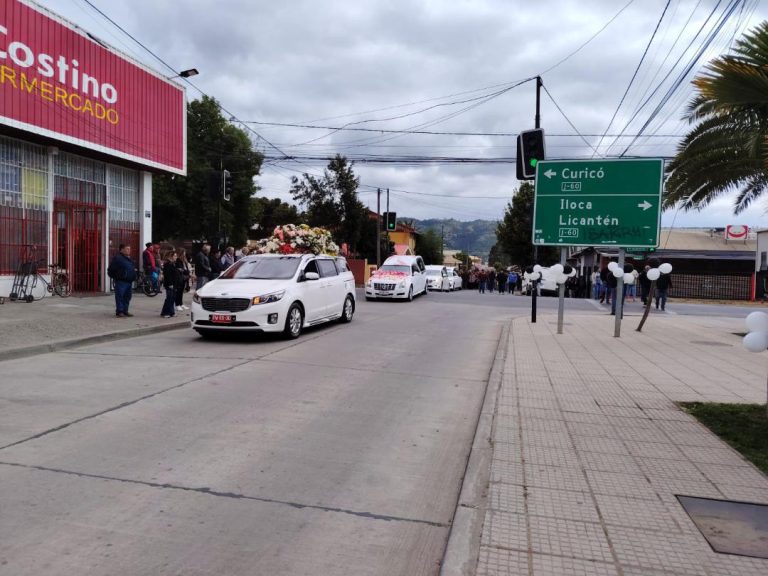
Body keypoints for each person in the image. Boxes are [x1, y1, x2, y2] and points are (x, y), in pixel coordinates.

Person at [108, 243, 137, 318]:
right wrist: (117, 277)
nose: (129, 250)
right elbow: (110, 270)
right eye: (127, 249)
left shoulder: (128, 258)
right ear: (121, 249)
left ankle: (125, 311)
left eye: (129, 249)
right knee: (120, 296)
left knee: (127, 297)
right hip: (121, 281)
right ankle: (119, 311)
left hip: (129, 281)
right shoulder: (118, 258)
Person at [161, 250, 182, 318]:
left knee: (172, 298)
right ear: (171, 256)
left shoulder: (173, 264)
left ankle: (171, 312)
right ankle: (166, 313)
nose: (176, 257)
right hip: (170, 284)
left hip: (174, 284)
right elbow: (168, 275)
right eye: (175, 256)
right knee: (169, 298)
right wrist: (170, 284)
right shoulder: (168, 264)